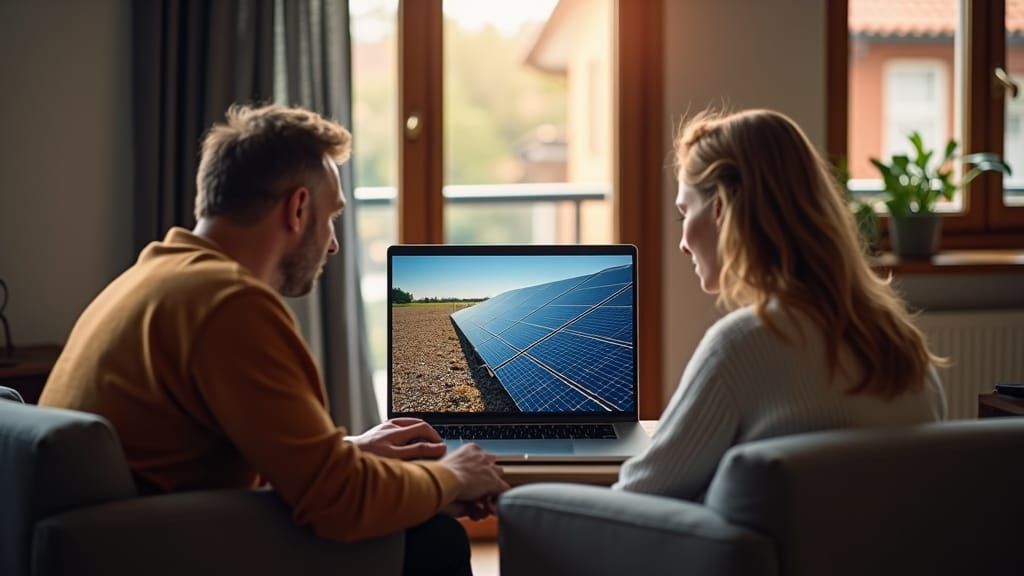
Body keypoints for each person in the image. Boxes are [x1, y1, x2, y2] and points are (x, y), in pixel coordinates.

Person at [40, 103, 507, 575]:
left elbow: (229, 455)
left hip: (127, 540)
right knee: (434, 540)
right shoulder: (229, 302)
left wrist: (348, 454)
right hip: (161, 551)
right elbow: (339, 502)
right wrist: (451, 476)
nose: (332, 243)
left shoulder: (152, 277)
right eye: (331, 217)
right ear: (298, 208)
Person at [614, 109, 947, 499]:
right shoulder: (904, 347)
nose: (684, 243)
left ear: (720, 210)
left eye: (684, 213)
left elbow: (638, 495)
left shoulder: (745, 344)